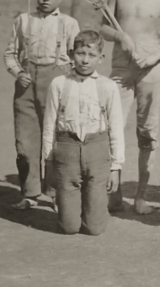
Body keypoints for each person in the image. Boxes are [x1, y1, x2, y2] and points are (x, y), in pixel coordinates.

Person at [100, 0, 160, 215]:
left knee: (147, 131)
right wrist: (119, 35)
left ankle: (141, 195)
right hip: (121, 68)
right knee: (112, 127)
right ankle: (114, 192)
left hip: (150, 68)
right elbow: (104, 29)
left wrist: (155, 56)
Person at [4, 0, 80, 210]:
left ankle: (56, 193)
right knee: (25, 142)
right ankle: (30, 193)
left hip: (55, 84)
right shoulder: (23, 20)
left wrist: (67, 80)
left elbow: (77, 59)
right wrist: (18, 73)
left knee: (56, 140)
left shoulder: (69, 23)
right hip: (25, 86)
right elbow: (10, 54)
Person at [42, 31, 124, 235]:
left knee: (94, 228)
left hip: (97, 152)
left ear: (100, 58)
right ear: (71, 54)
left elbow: (115, 128)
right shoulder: (59, 84)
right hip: (67, 151)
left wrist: (116, 167)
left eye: (91, 55)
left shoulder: (108, 86)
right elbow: (49, 124)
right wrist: (48, 161)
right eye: (80, 53)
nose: (85, 60)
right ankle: (68, 203)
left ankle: (92, 205)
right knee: (69, 227)